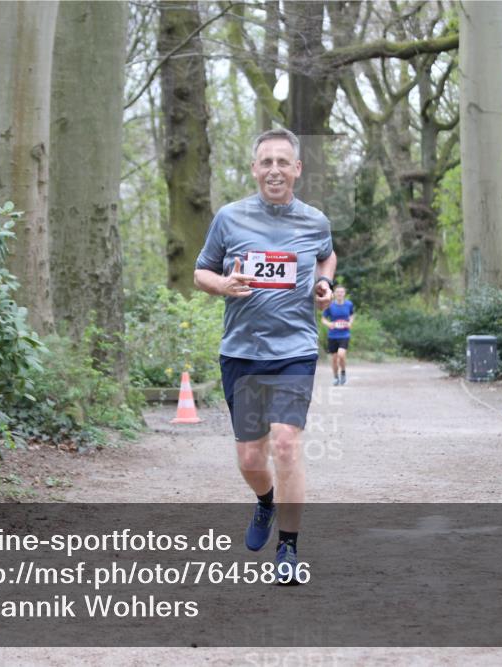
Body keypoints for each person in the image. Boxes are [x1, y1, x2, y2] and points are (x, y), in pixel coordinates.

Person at [193, 128, 336, 584]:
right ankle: (266, 501)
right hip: (241, 351)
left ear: (297, 169)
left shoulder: (315, 221)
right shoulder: (229, 219)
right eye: (266, 162)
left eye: (283, 161)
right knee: (251, 461)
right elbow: (201, 271)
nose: (274, 169)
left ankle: (289, 548)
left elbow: (327, 258)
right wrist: (223, 285)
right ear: (255, 169)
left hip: (294, 349)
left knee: (287, 444)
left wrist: (323, 285)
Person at [321, 285, 354, 385]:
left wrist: (350, 323)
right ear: (334, 294)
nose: (340, 294)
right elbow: (323, 319)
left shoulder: (349, 304)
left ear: (344, 293)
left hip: (344, 335)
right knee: (334, 359)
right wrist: (329, 324)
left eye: (342, 292)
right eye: (338, 292)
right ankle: (336, 377)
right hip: (333, 336)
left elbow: (351, 315)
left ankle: (343, 373)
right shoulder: (330, 305)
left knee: (341, 355)